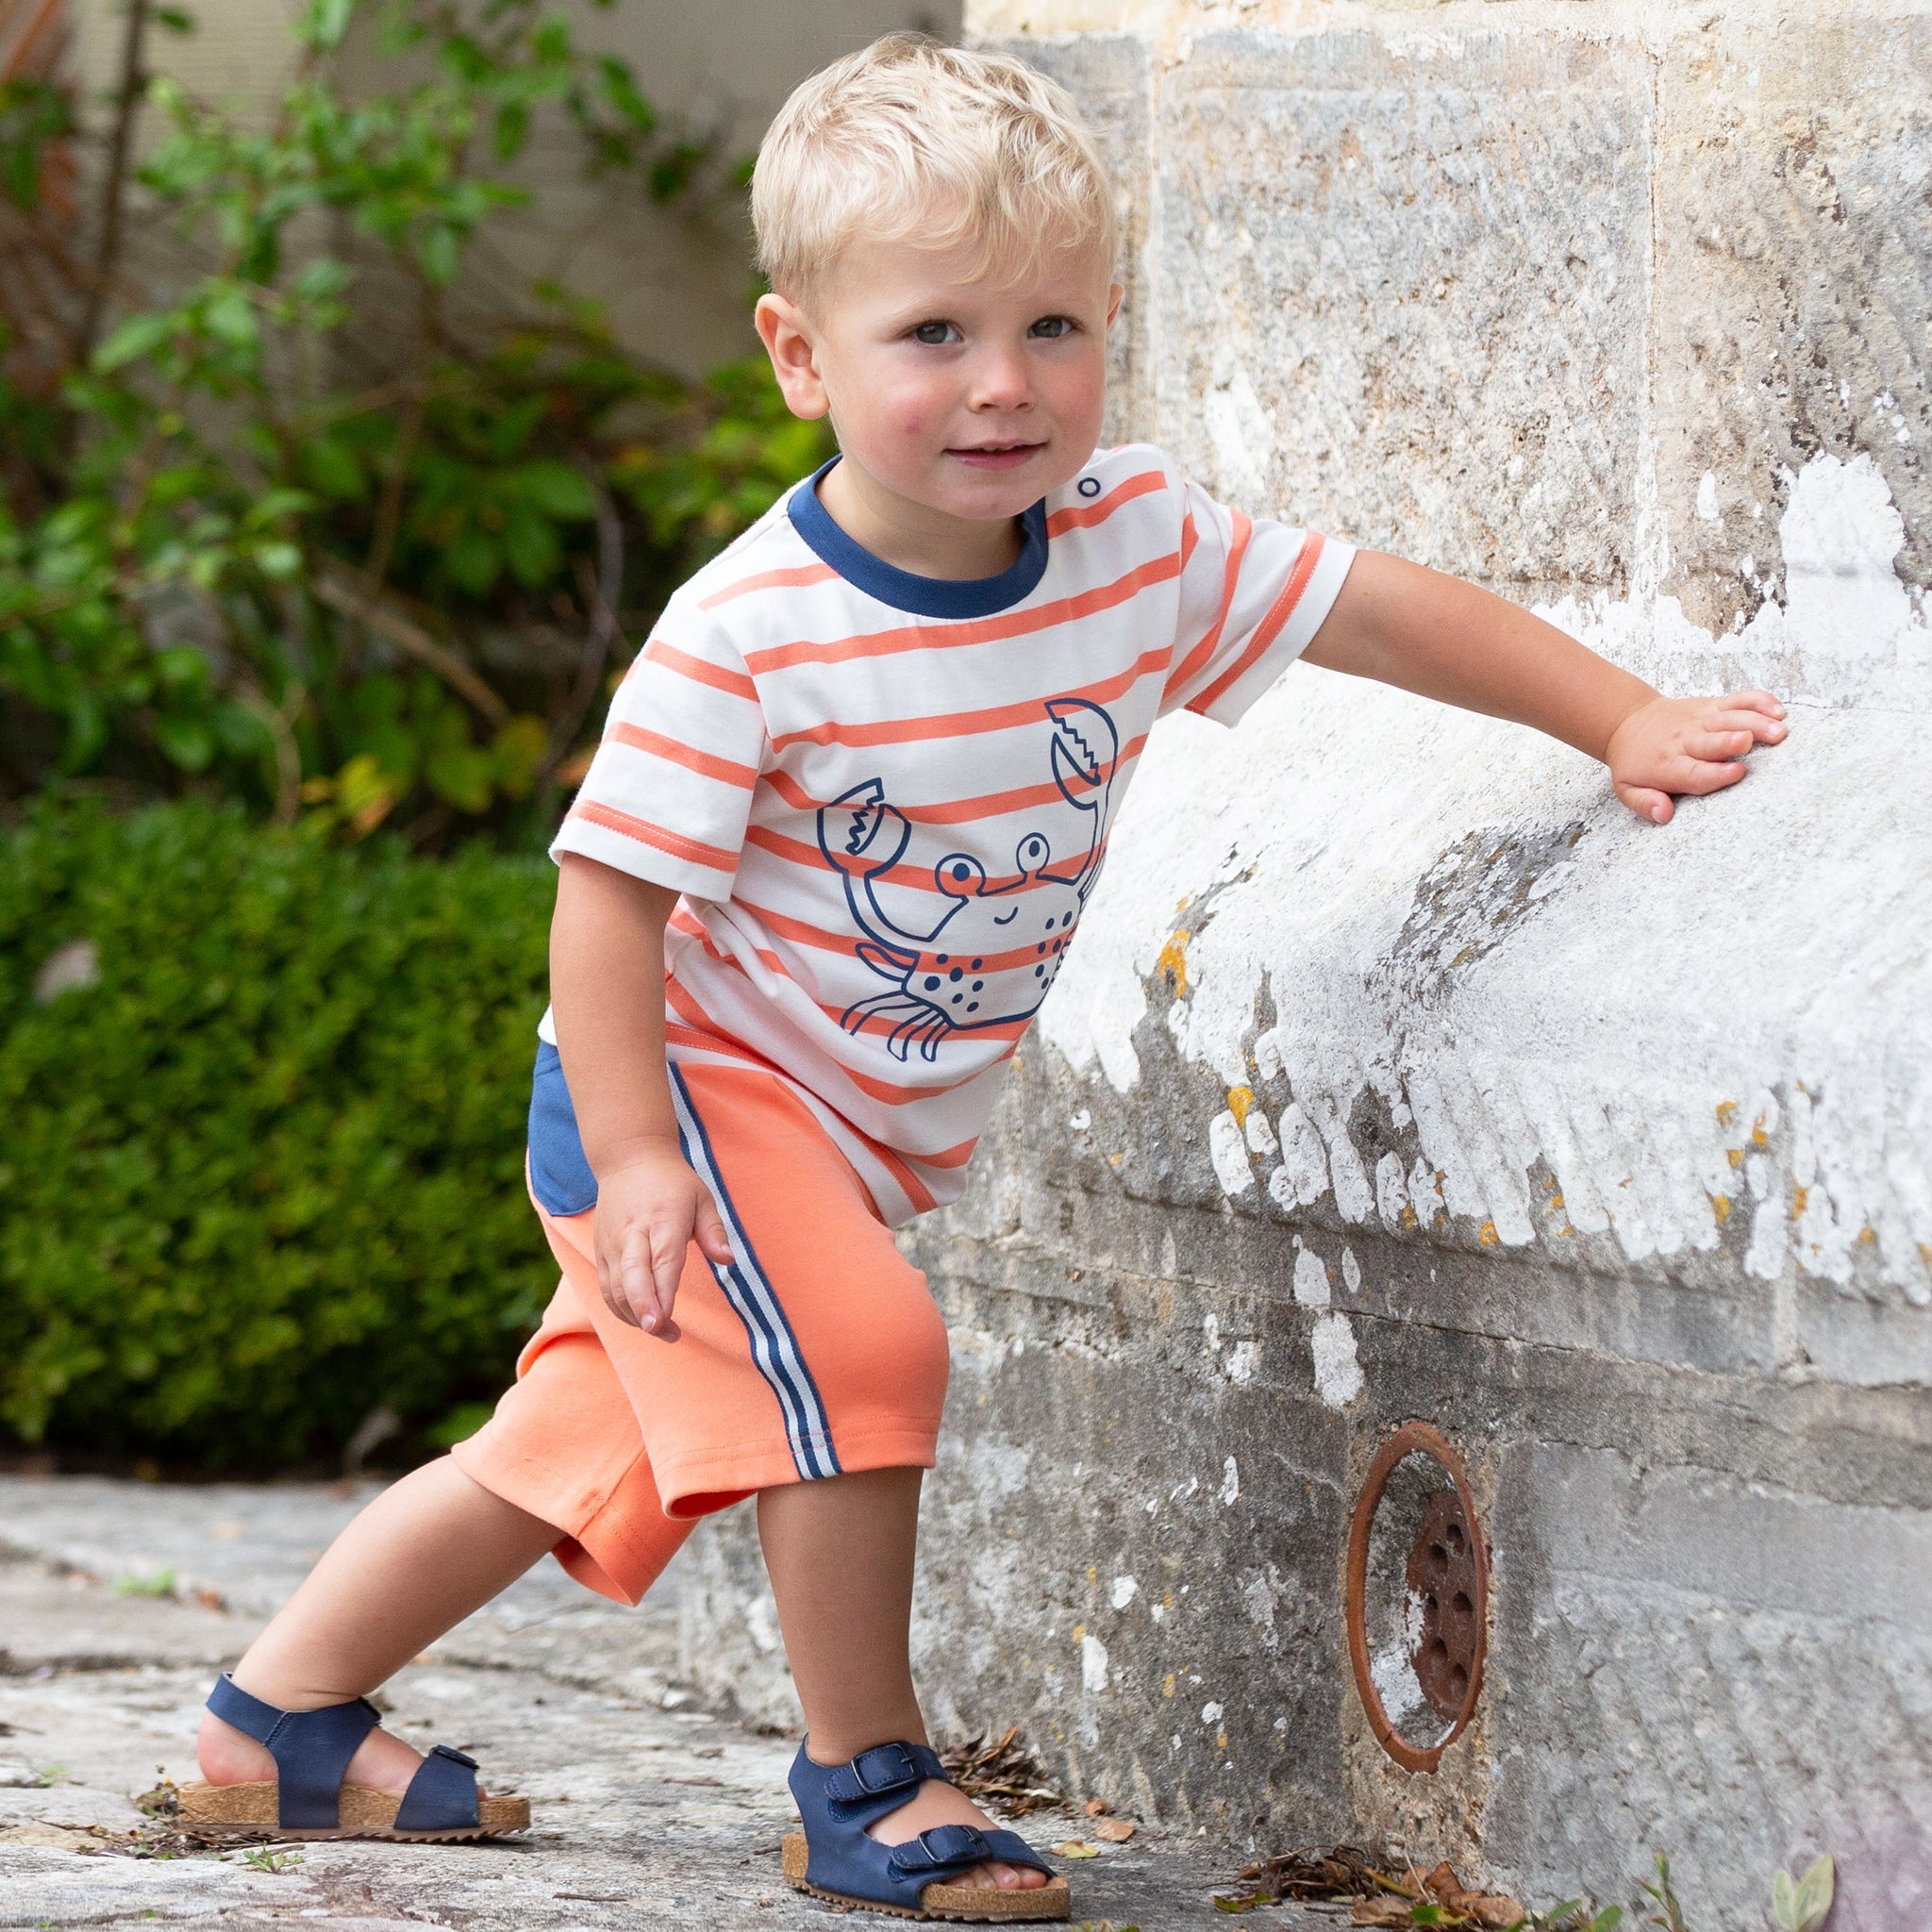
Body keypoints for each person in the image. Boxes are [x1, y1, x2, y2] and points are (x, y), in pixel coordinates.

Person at [178, 33, 1787, 1921]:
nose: (1005, 384)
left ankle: (272, 1722)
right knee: (863, 1350)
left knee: (570, 1445)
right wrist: (634, 1164)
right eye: (933, 333)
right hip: (688, 1093)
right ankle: (867, 1780)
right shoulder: (753, 636)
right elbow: (603, 907)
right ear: (801, 355)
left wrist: (1621, 717)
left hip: (833, 1128)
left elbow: (1373, 605)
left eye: (1053, 327)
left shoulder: (1132, 550)